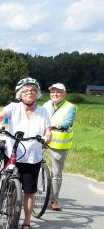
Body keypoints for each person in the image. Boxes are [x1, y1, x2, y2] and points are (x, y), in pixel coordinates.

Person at [0, 78, 51, 229]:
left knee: (29, 191)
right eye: (26, 91)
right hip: (13, 153)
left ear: (37, 94)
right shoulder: (14, 107)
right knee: (9, 188)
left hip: (32, 156)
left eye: (33, 91)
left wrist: (48, 136)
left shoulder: (43, 111)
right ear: (20, 94)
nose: (30, 93)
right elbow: (0, 116)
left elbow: (48, 130)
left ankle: (26, 222)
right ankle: (10, 212)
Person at [42, 83, 77, 211]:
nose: (55, 94)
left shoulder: (70, 107)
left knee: (56, 173)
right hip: (42, 139)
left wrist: (50, 126)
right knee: (29, 165)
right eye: (53, 91)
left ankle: (53, 200)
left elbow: (67, 122)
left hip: (59, 144)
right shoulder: (45, 105)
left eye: (59, 92)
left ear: (64, 93)